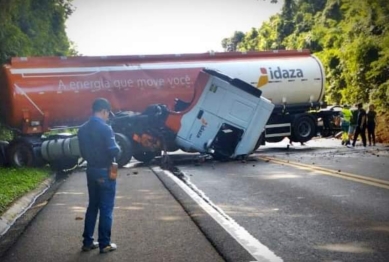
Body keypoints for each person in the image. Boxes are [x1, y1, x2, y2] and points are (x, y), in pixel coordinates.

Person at [77, 98, 121, 254]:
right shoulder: (105, 128)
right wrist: (118, 147)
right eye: (108, 113)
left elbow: (82, 152)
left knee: (93, 206)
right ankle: (105, 244)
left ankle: (87, 242)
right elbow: (114, 150)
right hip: (105, 171)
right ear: (104, 111)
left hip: (91, 170)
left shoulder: (82, 129)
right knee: (106, 208)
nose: (108, 116)